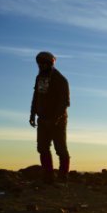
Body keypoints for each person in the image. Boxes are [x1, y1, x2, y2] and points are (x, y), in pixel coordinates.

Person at [29, 51, 70, 183]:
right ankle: (48, 175)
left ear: (49, 63)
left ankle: (63, 175)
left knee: (60, 149)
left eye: (42, 63)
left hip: (58, 121)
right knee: (42, 147)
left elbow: (64, 102)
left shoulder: (60, 80)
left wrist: (56, 119)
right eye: (38, 63)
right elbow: (36, 96)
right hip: (42, 119)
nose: (40, 66)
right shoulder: (39, 77)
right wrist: (32, 113)